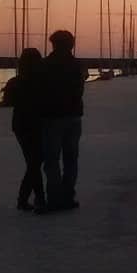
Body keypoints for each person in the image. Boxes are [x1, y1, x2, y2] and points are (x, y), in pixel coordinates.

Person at [39, 30, 84, 213]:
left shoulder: (46, 65)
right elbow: (80, 89)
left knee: (51, 159)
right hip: (73, 117)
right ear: (71, 45)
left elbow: (40, 90)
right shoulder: (77, 65)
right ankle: (68, 195)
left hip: (52, 117)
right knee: (71, 159)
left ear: (53, 44)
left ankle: (55, 197)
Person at [1, 48, 46, 211]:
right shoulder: (42, 81)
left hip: (21, 125)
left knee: (33, 163)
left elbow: (8, 102)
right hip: (37, 124)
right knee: (35, 163)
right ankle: (37, 199)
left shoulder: (15, 81)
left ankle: (26, 199)